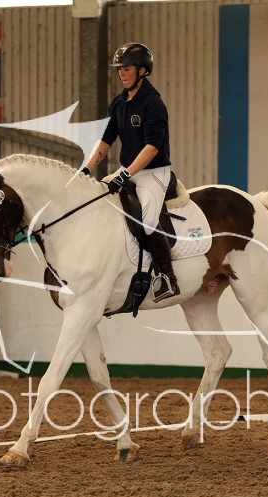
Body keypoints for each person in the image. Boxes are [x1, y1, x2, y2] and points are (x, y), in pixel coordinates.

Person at [81, 42, 179, 303]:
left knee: (148, 221)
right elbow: (106, 140)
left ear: (142, 70)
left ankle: (167, 277)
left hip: (153, 172)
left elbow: (152, 148)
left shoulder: (153, 104)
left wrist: (125, 175)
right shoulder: (118, 103)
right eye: (119, 69)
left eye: (126, 69)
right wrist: (87, 168)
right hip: (128, 170)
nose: (121, 73)